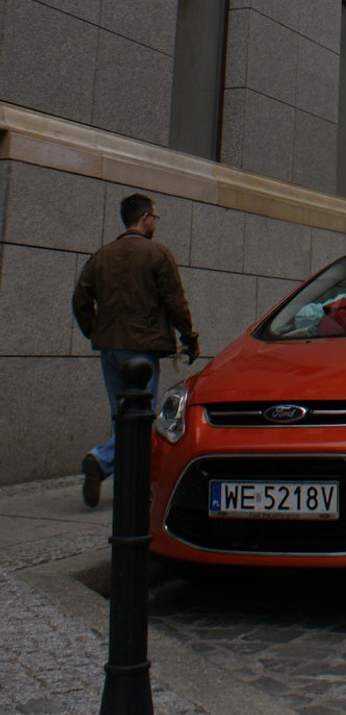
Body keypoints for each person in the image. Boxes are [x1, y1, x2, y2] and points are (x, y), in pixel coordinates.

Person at [72, 193, 199, 508]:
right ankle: (101, 461)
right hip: (141, 348)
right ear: (145, 218)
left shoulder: (102, 255)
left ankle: (133, 485)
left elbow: (80, 300)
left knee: (122, 416)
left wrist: (95, 330)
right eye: (155, 217)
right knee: (140, 418)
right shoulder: (157, 254)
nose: (155, 222)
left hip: (110, 347)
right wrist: (189, 337)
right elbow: (174, 300)